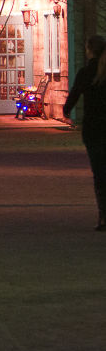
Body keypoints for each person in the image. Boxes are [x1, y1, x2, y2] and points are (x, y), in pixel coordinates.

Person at [62, 34, 106, 231]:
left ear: (89, 50)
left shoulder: (85, 72)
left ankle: (103, 216)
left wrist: (66, 110)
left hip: (93, 128)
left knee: (99, 173)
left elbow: (74, 95)